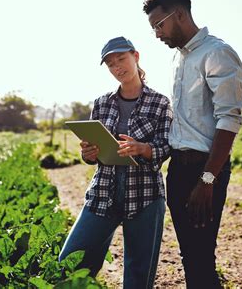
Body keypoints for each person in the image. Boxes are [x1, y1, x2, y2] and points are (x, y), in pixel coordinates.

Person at [143, 0, 242, 288]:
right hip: (178, 168)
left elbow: (229, 119)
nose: (157, 34)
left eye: (159, 25)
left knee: (201, 257)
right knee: (190, 255)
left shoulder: (217, 53)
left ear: (181, 15)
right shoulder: (178, 59)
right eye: (153, 28)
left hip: (204, 171)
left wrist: (207, 180)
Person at [58, 36, 173, 289]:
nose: (117, 67)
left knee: (138, 276)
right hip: (103, 192)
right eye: (110, 64)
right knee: (70, 262)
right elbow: (91, 154)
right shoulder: (101, 103)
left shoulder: (160, 103)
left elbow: (166, 147)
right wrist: (88, 153)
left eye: (121, 59)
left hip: (145, 196)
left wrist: (143, 149)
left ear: (136, 56)